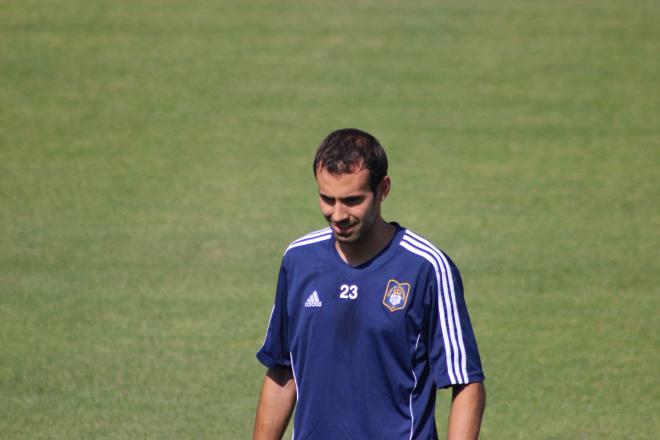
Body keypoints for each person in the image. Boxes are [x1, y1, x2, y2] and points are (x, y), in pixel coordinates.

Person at [254, 128, 486, 440]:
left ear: (383, 189)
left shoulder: (426, 268)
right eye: (327, 199)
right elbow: (283, 370)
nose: (337, 214)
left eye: (352, 200)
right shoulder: (299, 260)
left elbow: (465, 381)